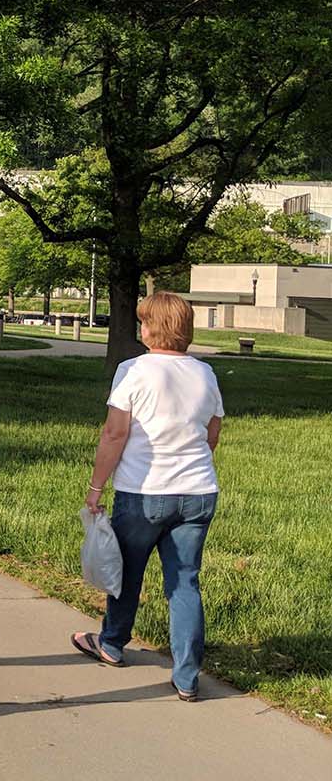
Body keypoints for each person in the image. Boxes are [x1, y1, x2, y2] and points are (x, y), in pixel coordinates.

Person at [70, 291, 223, 702]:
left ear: (151, 328)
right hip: (199, 492)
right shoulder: (206, 374)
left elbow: (115, 433)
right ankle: (188, 676)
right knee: (185, 582)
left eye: (143, 322)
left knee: (127, 572)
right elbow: (212, 435)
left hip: (144, 492)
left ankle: (112, 643)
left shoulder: (133, 370)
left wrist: (96, 487)